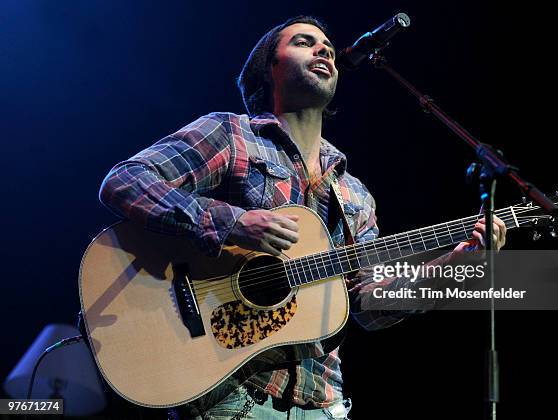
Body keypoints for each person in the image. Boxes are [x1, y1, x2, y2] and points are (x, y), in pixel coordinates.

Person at [99, 15, 507, 420]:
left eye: (327, 46)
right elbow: (125, 181)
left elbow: (367, 304)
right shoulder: (232, 136)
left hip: (323, 403)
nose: (323, 49)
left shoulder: (355, 194)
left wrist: (455, 266)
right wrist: (232, 223)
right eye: (303, 42)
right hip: (229, 395)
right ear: (269, 68)